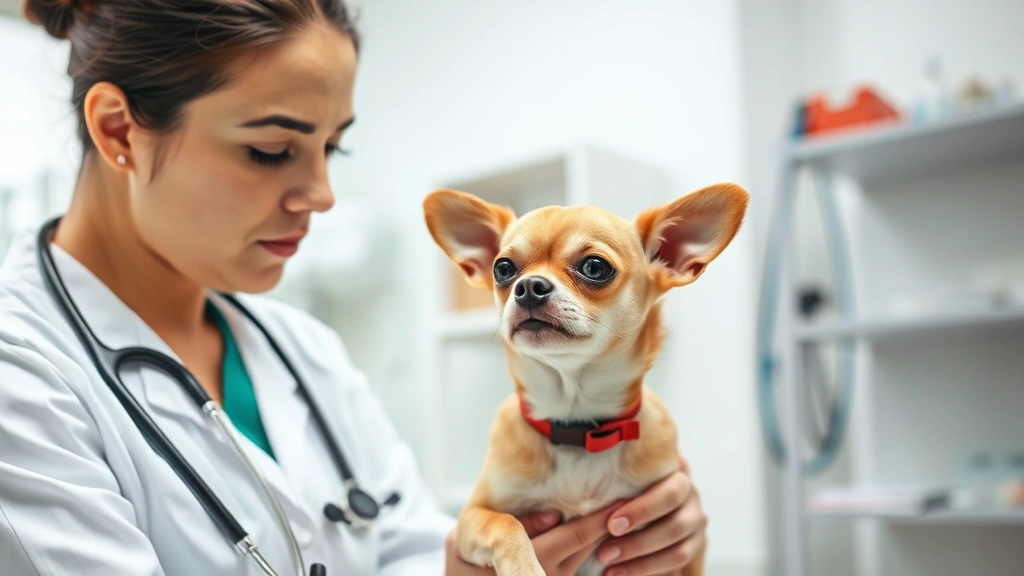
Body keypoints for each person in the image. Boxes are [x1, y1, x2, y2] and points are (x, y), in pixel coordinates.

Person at [0, 1, 708, 575]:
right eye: (272, 150)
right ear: (119, 131)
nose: (322, 194)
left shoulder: (305, 352)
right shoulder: (21, 371)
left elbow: (415, 552)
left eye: (331, 147)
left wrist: (637, 541)